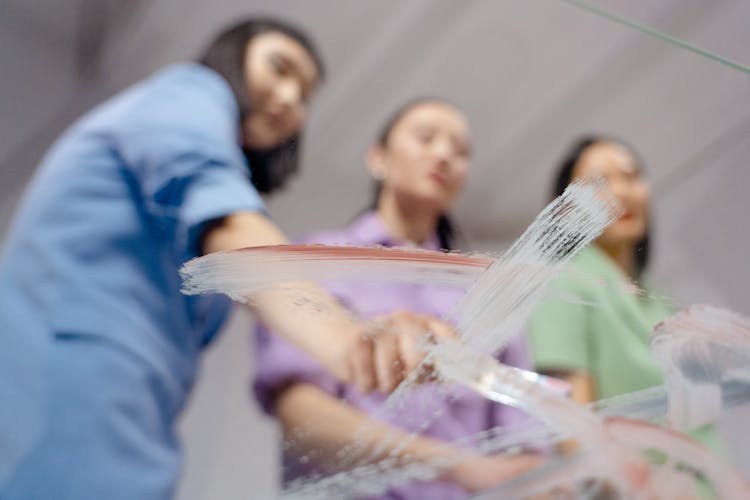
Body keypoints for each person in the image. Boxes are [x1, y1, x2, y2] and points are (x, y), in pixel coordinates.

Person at [0, 19, 449, 500]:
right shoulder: (186, 93)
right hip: (58, 403)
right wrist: (349, 339)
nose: (288, 98)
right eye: (279, 68)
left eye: (303, 95)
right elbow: (229, 226)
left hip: (130, 423)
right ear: (231, 57)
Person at [254, 98, 541, 498]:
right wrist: (457, 466)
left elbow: (521, 444)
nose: (444, 155)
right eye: (426, 138)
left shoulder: (489, 293)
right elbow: (301, 415)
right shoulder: (318, 262)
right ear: (378, 158)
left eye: (460, 152)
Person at [527, 136, 674, 403]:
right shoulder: (561, 285)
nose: (622, 192)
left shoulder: (654, 297)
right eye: (599, 182)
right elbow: (573, 428)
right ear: (566, 209)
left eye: (631, 177)